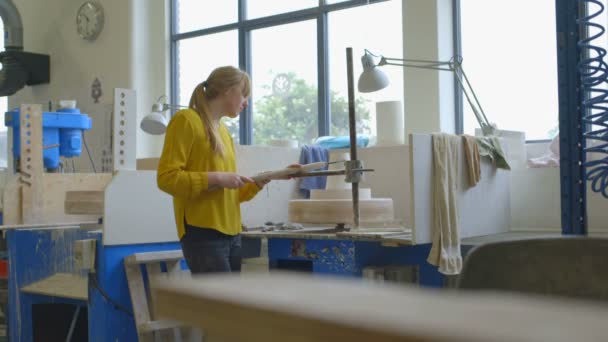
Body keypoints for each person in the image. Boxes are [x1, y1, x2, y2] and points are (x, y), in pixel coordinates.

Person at [157, 66, 275, 274]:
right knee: (217, 306)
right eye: (244, 94)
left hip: (232, 233)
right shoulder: (186, 121)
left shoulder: (223, 132)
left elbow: (230, 194)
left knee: (228, 304)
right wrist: (217, 177)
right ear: (228, 90)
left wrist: (258, 182)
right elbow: (167, 178)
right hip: (202, 232)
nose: (246, 102)